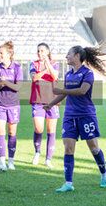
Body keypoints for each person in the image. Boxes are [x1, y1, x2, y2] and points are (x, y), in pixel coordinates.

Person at [43, 45, 106, 192]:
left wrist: (61, 90)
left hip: (86, 115)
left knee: (94, 148)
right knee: (68, 148)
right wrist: (51, 104)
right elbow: (65, 94)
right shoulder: (69, 74)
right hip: (69, 116)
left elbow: (82, 91)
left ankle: (103, 174)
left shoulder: (87, 73)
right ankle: (68, 184)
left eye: (68, 54)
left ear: (77, 56)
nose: (66, 57)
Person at [0, 41, 23, 171]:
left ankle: (11, 161)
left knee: (12, 133)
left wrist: (5, 82)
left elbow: (18, 87)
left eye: (2, 53)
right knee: (1, 132)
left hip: (13, 105)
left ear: (9, 54)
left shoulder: (17, 68)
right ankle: (1, 162)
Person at [30, 43, 59, 168]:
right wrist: (44, 70)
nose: (40, 53)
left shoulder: (54, 63)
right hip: (38, 100)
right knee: (39, 128)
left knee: (51, 131)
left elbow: (55, 76)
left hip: (52, 101)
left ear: (47, 52)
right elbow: (34, 77)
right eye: (38, 51)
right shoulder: (33, 64)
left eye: (42, 51)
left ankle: (48, 159)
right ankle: (37, 152)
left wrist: (48, 65)